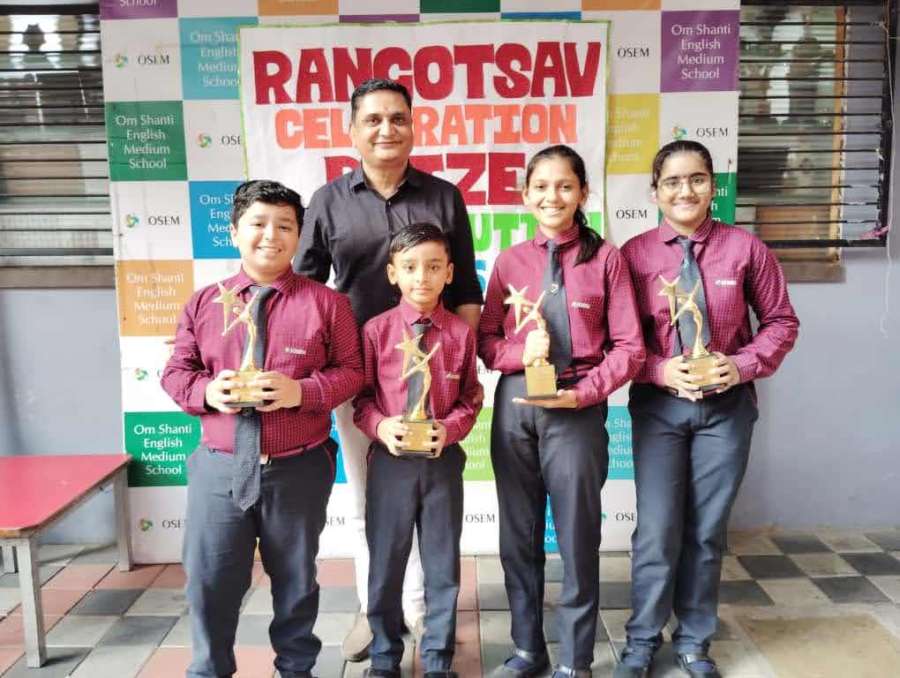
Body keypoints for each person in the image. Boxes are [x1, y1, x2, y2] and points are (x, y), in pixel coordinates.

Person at [295, 77, 483, 660]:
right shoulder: (328, 200)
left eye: (398, 118)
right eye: (372, 119)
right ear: (351, 130)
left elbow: (467, 287)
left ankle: (421, 615)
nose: (386, 129)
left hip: (431, 374)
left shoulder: (443, 197)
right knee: (367, 502)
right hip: (359, 376)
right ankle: (374, 611)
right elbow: (304, 288)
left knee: (428, 506)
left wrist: (460, 364)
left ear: (412, 126)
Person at [162, 180, 364, 678]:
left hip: (298, 468)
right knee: (210, 581)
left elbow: (352, 372)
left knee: (296, 583)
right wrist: (208, 391)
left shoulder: (328, 304)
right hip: (220, 469)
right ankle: (210, 669)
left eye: (284, 226)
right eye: (258, 223)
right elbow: (176, 372)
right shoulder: (204, 303)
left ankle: (296, 670)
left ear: (299, 236)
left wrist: (302, 391)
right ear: (234, 232)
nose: (270, 235)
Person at [616, 140, 800, 678]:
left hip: (726, 411)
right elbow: (621, 340)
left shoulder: (746, 250)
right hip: (660, 411)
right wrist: (658, 370)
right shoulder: (633, 255)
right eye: (672, 181)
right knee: (656, 530)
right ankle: (642, 641)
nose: (685, 190)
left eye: (696, 179)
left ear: (713, 187)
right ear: (655, 192)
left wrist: (740, 366)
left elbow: (781, 322)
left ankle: (695, 641)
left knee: (705, 530)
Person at [478, 145, 645, 678]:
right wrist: (517, 353)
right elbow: (486, 340)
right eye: (542, 187)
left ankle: (575, 659)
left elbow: (630, 348)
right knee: (517, 536)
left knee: (577, 537)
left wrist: (586, 393)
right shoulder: (510, 262)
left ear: (583, 194)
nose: (553, 196)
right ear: (525, 195)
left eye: (565, 186)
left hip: (576, 408)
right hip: (515, 408)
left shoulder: (607, 260)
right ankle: (528, 649)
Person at [353, 223, 482, 678]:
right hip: (390, 467)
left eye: (432, 267)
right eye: (409, 267)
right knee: (386, 563)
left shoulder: (460, 334)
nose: (421, 277)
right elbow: (361, 399)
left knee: (443, 565)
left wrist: (450, 429)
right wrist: (381, 425)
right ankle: (384, 657)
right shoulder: (375, 331)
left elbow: (471, 396)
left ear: (450, 273)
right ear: (393, 273)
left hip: (442, 464)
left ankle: (438, 659)